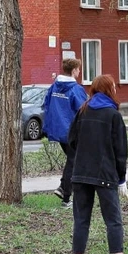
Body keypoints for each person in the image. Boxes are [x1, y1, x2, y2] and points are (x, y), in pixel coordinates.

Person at [68, 74, 128, 254]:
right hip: (105, 176)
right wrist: (121, 178)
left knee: (81, 219)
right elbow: (120, 150)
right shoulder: (113, 115)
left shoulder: (83, 111)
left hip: (80, 174)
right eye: (113, 86)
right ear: (109, 89)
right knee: (113, 218)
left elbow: (71, 140)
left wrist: (81, 158)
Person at [43, 58, 87, 208]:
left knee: (72, 159)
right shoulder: (76, 89)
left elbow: (46, 105)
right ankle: (65, 194)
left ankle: (64, 190)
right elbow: (83, 111)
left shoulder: (54, 87)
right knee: (74, 160)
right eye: (79, 69)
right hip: (72, 131)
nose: (79, 72)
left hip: (58, 130)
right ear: (74, 70)